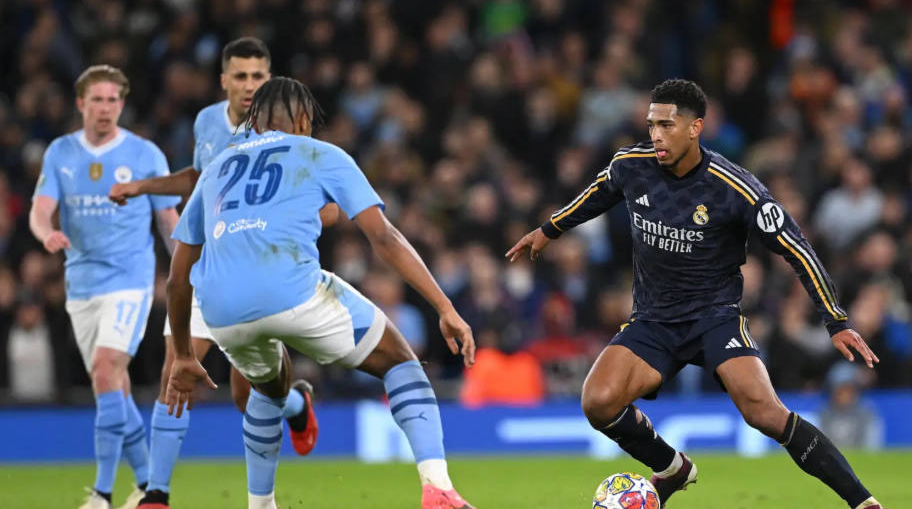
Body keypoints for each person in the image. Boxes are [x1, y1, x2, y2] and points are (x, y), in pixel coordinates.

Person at [507, 79, 887, 509]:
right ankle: (672, 467)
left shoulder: (735, 188)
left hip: (715, 317)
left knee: (764, 412)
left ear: (695, 127)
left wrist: (835, 320)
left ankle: (863, 502)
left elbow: (796, 248)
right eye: (651, 125)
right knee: (598, 402)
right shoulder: (631, 165)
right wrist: (550, 229)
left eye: (666, 125)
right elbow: (599, 193)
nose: (656, 135)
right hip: (653, 319)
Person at [165, 77, 477, 509]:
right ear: (303, 120)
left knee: (267, 389)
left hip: (221, 311)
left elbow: (178, 277)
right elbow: (383, 238)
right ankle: (438, 489)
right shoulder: (320, 153)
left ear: (253, 121)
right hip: (291, 291)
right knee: (400, 361)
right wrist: (444, 307)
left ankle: (260, 505)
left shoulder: (216, 169)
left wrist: (183, 355)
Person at [108, 38, 327, 509]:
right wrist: (145, 186)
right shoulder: (207, 122)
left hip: (254, 271)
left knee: (247, 396)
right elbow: (198, 178)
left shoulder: (283, 131)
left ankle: (295, 405)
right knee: (175, 368)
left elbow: (321, 197)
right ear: (224, 79)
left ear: (270, 80)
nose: (250, 85)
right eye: (241, 76)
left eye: (258, 76)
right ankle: (156, 495)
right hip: (205, 266)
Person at [30, 65, 181, 509]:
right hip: (81, 284)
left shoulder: (145, 154)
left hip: (130, 280)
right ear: (81, 103)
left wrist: (189, 273)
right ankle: (149, 486)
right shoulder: (61, 152)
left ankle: (102, 493)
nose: (106, 108)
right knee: (112, 386)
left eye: (113, 99)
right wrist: (46, 233)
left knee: (105, 367)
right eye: (97, 99)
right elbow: (40, 210)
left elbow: (167, 220)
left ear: (122, 104)